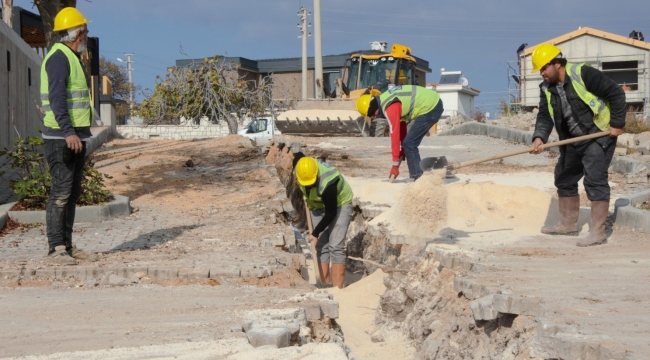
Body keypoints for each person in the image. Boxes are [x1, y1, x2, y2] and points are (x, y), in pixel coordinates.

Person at [529, 44, 626, 247]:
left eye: (544, 68)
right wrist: (539, 137)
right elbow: (545, 115)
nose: (542, 73)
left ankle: (597, 232)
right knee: (564, 177)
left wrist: (617, 123)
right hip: (572, 139)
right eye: (540, 69)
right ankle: (568, 224)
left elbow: (616, 93)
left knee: (594, 181)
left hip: (596, 135)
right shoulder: (546, 88)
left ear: (557, 63)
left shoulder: (582, 73)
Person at [41, 7, 97, 264]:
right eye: (84, 31)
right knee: (61, 194)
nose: (86, 36)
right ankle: (56, 250)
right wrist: (68, 132)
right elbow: (57, 99)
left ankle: (68, 247)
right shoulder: (59, 58)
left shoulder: (72, 57)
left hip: (74, 136)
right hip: (61, 138)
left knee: (71, 194)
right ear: (78, 33)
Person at [356, 85, 444, 180]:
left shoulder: (390, 107)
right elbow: (401, 126)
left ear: (373, 107)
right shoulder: (386, 99)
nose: (375, 117)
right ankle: (417, 176)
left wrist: (395, 165)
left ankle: (418, 178)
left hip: (431, 107)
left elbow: (395, 135)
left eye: (373, 114)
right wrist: (402, 150)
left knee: (410, 144)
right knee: (408, 144)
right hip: (432, 103)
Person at [295, 157, 353, 288]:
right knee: (321, 246)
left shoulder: (328, 182)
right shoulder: (300, 171)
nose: (308, 185)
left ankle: (338, 289)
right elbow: (297, 157)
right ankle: (324, 285)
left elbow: (331, 213)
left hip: (339, 205)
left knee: (336, 246)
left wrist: (315, 233)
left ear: (316, 173)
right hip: (316, 205)